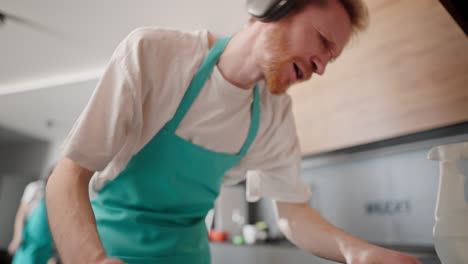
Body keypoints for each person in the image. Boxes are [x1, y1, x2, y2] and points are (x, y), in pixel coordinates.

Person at [46, 0, 423, 263]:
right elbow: (67, 177)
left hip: (186, 256)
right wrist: (92, 260)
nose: (322, 67)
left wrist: (356, 252)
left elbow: (291, 212)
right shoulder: (154, 54)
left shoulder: (274, 114)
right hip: (105, 247)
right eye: (323, 42)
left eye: (331, 58)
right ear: (275, 6)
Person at [8, 174, 56, 264]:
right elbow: (21, 214)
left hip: (46, 246)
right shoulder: (36, 188)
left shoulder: (59, 195)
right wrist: (17, 237)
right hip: (29, 242)